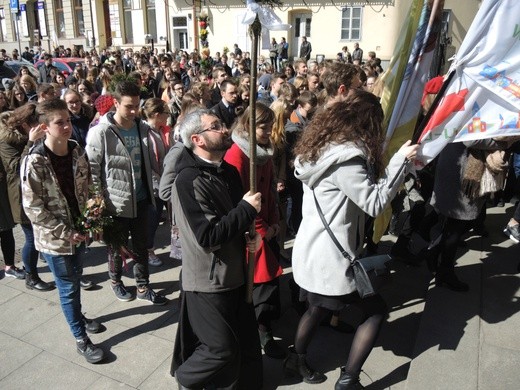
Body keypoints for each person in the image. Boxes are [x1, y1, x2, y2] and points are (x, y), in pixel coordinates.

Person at [286, 90, 419, 387]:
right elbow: (373, 203)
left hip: (315, 249)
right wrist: (398, 162)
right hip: (332, 259)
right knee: (376, 312)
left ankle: (296, 357)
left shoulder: (323, 146)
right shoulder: (347, 160)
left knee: (316, 307)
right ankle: (348, 379)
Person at [170, 108, 263, 389]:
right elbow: (208, 236)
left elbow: (236, 220)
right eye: (215, 126)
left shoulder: (229, 171)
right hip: (209, 282)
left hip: (237, 273)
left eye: (222, 124)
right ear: (197, 139)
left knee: (241, 345)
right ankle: (187, 381)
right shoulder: (188, 180)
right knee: (220, 349)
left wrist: (252, 236)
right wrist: (246, 209)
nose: (224, 129)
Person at [20, 98, 105, 363]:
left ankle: (78, 316)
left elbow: (89, 186)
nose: (67, 126)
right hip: (55, 240)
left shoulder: (77, 150)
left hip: (79, 232)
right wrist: (64, 232)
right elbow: (32, 208)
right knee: (67, 288)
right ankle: (81, 338)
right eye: (60, 122)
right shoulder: (35, 161)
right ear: (45, 127)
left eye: (68, 120)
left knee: (76, 277)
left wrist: (94, 216)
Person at [86, 80, 167, 305]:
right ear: (115, 103)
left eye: (136, 106)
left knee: (142, 246)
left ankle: (143, 286)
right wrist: (97, 202)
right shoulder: (101, 132)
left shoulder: (142, 127)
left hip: (142, 199)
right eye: (128, 106)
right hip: (115, 202)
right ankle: (116, 282)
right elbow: (91, 169)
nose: (133, 111)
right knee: (116, 248)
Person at [224, 103, 286, 359]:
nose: (268, 130)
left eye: (270, 125)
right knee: (259, 283)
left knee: (269, 282)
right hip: (249, 233)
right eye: (263, 126)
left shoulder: (264, 152)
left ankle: (265, 323)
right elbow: (242, 200)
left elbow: (268, 192)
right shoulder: (237, 155)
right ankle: (261, 330)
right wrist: (261, 229)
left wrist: (274, 223)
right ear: (249, 125)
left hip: (267, 227)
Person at [0, 103, 53, 291]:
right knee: (31, 237)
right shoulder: (6, 139)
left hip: (39, 189)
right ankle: (31, 277)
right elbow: (15, 168)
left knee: (41, 234)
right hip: (20, 194)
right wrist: (31, 142)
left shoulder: (27, 133)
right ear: (24, 124)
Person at [140, 98, 172, 266]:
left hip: (165, 182)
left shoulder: (162, 131)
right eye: (166, 113)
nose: (168, 116)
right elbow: (147, 164)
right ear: (157, 115)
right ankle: (148, 250)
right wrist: (160, 185)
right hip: (154, 187)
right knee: (151, 221)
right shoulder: (144, 133)